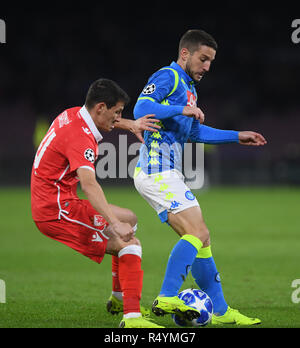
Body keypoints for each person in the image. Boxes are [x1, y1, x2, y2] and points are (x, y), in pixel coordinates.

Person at [133, 29, 267, 325]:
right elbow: (141, 107)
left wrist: (236, 136)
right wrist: (183, 108)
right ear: (185, 53)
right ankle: (167, 295)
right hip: (156, 170)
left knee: (201, 238)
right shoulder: (169, 76)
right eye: (203, 59)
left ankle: (220, 312)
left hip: (167, 171)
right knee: (198, 233)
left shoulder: (191, 89)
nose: (207, 66)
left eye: (211, 61)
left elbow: (192, 132)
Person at [31, 78, 163, 328]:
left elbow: (106, 121)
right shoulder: (79, 137)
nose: (118, 117)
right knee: (129, 242)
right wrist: (113, 223)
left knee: (130, 219)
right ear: (101, 107)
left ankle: (118, 297)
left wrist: (131, 124)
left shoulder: (72, 115)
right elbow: (89, 185)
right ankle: (132, 318)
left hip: (57, 199)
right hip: (56, 210)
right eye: (117, 112)